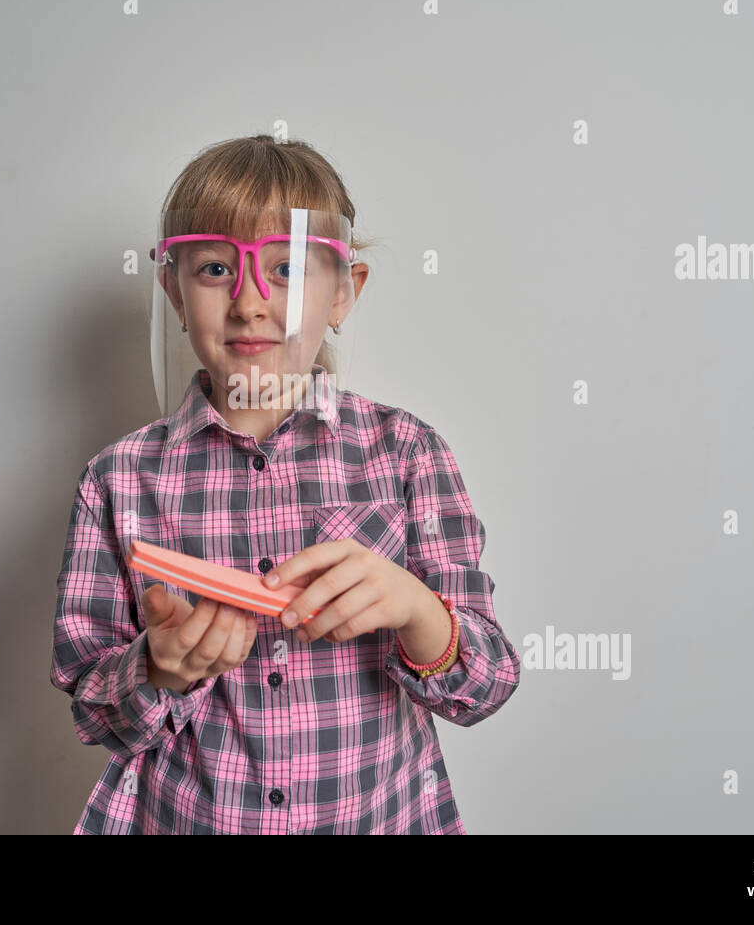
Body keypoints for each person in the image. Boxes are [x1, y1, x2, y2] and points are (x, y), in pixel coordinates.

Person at [50, 134, 521, 834]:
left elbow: (484, 686)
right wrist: (159, 668)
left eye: (288, 270)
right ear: (172, 291)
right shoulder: (118, 480)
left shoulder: (408, 456)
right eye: (215, 268)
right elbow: (94, 711)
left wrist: (417, 609)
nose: (249, 301)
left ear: (344, 294)